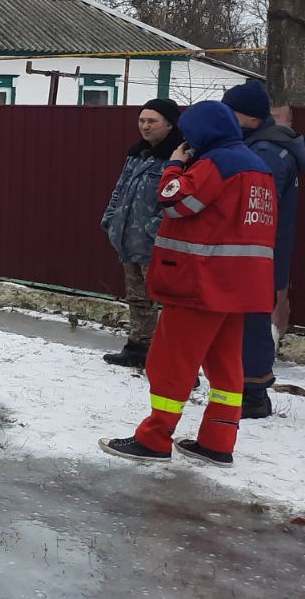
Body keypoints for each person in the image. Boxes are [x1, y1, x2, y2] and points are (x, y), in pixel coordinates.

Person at [98, 101, 277, 467]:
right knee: (226, 364)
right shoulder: (259, 167)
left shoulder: (217, 163)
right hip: (241, 284)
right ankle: (218, 441)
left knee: (170, 362)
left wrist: (176, 164)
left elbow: (175, 201)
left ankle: (154, 439)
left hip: (202, 280)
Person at [221, 79, 305, 419]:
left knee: (252, 323)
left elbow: (248, 204)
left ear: (251, 118)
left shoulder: (267, 154)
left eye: (230, 113)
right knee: (243, 320)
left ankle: (253, 394)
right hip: (258, 253)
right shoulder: (262, 145)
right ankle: (239, 386)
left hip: (256, 255)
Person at [99, 98, 182, 367]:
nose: (145, 127)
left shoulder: (179, 157)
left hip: (156, 244)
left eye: (152, 121)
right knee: (137, 297)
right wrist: (110, 219)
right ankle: (138, 347)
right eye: (142, 121)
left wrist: (153, 230)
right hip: (127, 237)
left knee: (163, 301)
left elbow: (175, 200)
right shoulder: (137, 153)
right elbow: (120, 188)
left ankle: (169, 357)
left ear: (169, 125)